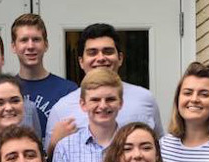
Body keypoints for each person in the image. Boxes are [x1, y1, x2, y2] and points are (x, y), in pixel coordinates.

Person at [45, 23, 162, 153]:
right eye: (92, 52)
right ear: (81, 62)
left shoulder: (144, 99)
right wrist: (54, 144)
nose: (100, 58)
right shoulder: (62, 108)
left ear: (120, 58)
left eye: (108, 51)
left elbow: (158, 149)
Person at [51, 68, 123, 162]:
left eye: (110, 99)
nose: (103, 105)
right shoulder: (66, 148)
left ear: (121, 102)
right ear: (83, 104)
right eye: (95, 99)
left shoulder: (132, 145)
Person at [11, 13, 78, 126]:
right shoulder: (6, 91)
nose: (30, 46)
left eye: (36, 39)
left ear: (46, 45)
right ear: (14, 47)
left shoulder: (68, 90)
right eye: (24, 40)